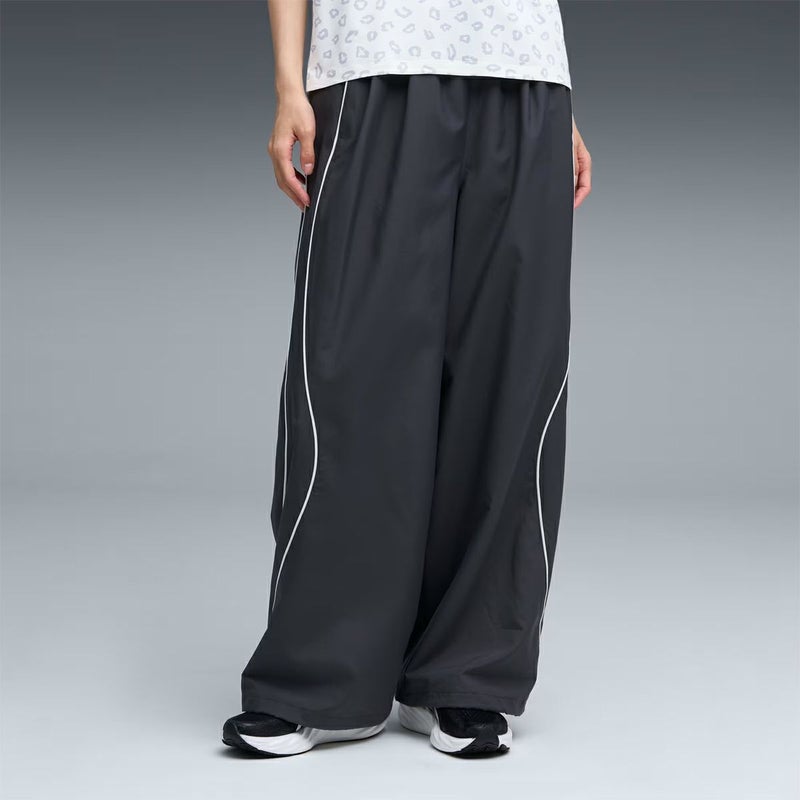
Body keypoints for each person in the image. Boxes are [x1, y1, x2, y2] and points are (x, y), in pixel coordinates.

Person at [223, 0, 592, 758]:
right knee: (353, 377)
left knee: (510, 378)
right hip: (373, 67)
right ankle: (323, 679)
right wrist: (290, 86)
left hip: (525, 80)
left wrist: (559, 93)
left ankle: (464, 677)